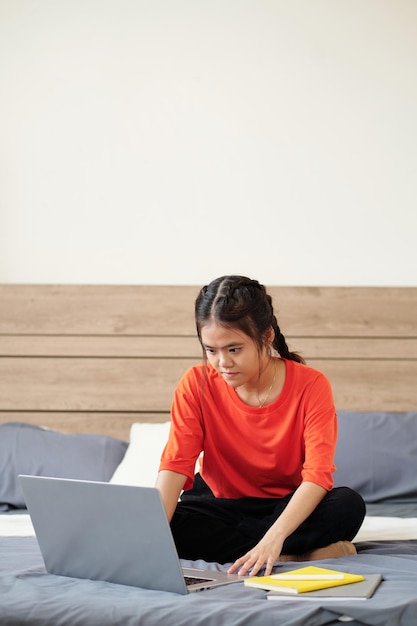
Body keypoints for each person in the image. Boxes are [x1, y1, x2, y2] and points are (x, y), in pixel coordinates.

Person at [155, 275, 365, 576]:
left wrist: (275, 537)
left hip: (286, 508)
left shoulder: (311, 384)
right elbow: (176, 464)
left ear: (266, 337)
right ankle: (297, 557)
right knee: (161, 523)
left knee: (347, 504)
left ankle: (268, 548)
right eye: (211, 350)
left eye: (234, 349)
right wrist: (152, 534)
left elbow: (317, 476)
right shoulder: (195, 383)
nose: (221, 363)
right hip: (217, 504)